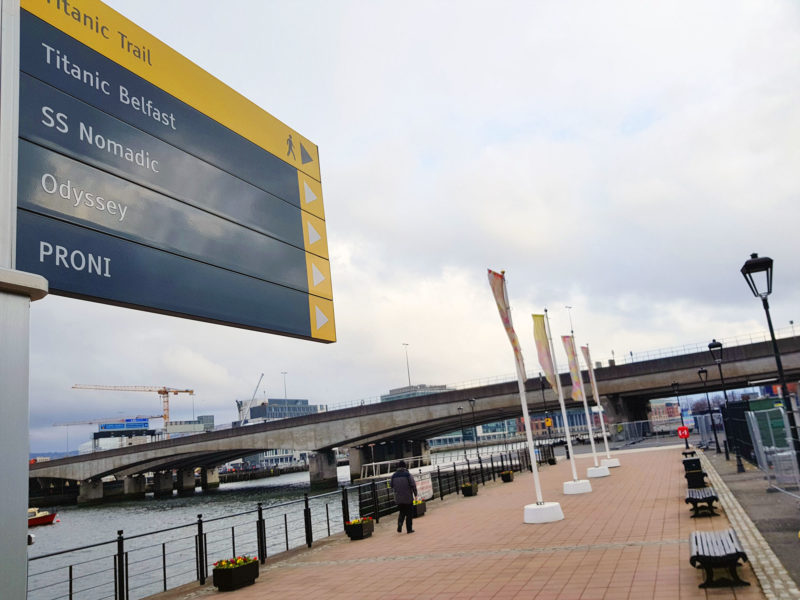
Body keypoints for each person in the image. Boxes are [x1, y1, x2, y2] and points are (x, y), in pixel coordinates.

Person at [390, 460, 418, 534]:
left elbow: (391, 485)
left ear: (398, 466)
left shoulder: (394, 475)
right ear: (405, 466)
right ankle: (409, 529)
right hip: (408, 497)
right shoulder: (408, 474)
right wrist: (415, 494)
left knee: (402, 512)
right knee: (409, 513)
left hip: (398, 498)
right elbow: (413, 485)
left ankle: (400, 524)